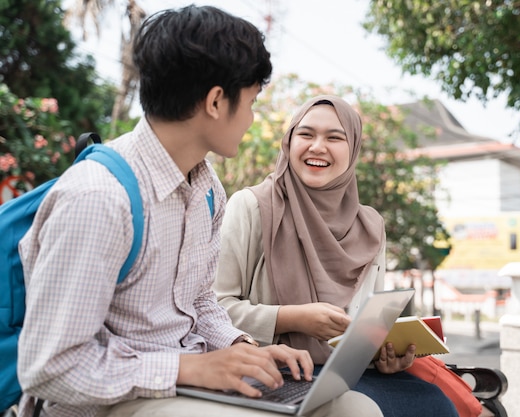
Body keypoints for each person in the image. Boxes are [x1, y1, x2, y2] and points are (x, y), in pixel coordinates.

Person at [16, 7, 382, 417]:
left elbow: (200, 301)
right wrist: (188, 368)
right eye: (251, 102)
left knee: (352, 409)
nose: (252, 118)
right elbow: (49, 369)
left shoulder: (206, 188)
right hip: (108, 401)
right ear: (215, 101)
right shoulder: (99, 197)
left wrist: (242, 349)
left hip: (186, 385)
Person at [214, 95, 460, 417]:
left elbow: (368, 319)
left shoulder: (370, 226)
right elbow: (215, 309)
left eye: (334, 137)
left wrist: (384, 353)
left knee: (436, 403)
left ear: (353, 148)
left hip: (348, 373)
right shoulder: (251, 207)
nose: (317, 147)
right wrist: (293, 317)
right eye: (306, 134)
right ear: (289, 142)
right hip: (273, 369)